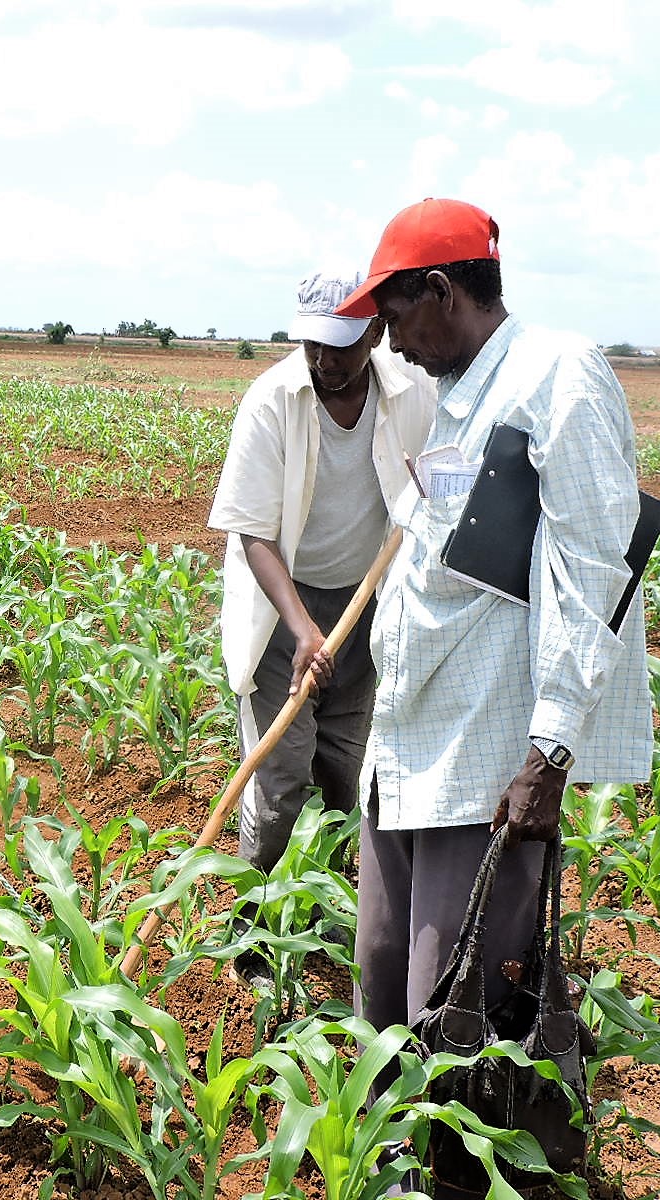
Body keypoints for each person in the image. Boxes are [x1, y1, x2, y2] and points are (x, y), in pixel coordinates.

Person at [333, 200, 650, 1191]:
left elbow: (593, 569)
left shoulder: (557, 373)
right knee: (385, 987)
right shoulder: (457, 394)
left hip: (488, 763)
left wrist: (548, 755)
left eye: (393, 314)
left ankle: (470, 1179)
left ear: (441, 290)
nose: (387, 341)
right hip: (407, 750)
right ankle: (398, 1172)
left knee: (459, 1011)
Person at [208, 269, 434, 876]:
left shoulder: (411, 388)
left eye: (340, 346)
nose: (324, 360)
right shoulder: (273, 400)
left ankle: (326, 910)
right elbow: (254, 531)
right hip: (284, 609)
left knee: (343, 773)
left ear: (375, 332)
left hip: (364, 606)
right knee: (280, 782)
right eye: (313, 344)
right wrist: (303, 629)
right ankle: (257, 918)